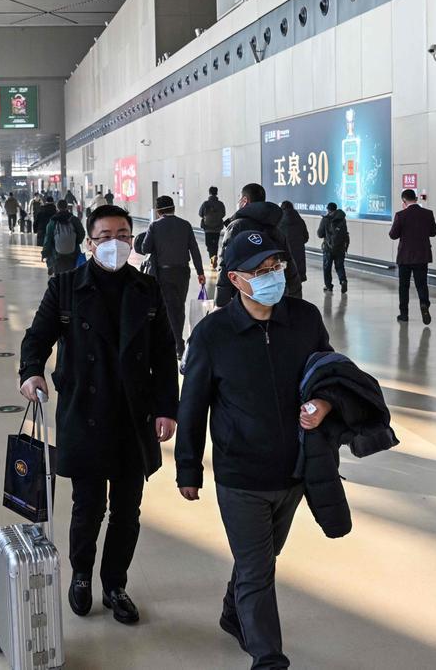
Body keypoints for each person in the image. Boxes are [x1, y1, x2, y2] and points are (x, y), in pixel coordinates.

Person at [176, 230, 333, 669]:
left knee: (260, 558)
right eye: (260, 271)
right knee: (259, 571)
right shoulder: (213, 334)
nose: (272, 277)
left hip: (294, 471)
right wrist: (188, 468)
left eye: (276, 267)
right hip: (240, 476)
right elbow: (193, 406)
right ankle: (268, 657)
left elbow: (329, 372)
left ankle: (232, 612)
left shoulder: (304, 319)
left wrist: (325, 403)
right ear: (236, 279)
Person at [19, 204, 179, 626]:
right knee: (87, 506)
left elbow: (164, 354)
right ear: (90, 243)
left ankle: (115, 585)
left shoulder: (147, 289)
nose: (115, 243)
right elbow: (37, 337)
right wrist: (31, 372)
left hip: (132, 415)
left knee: (128, 510)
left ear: (133, 239)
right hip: (84, 411)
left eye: (122, 235)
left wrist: (167, 408)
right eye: (105, 236)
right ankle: (81, 577)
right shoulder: (66, 287)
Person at [140, 195, 205, 356]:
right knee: (179, 306)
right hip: (183, 272)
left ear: (158, 211)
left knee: (168, 307)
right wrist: (200, 272)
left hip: (164, 272)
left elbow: (145, 248)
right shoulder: (185, 225)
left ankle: (178, 343)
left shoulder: (154, 226)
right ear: (173, 208)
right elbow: (195, 250)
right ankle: (178, 341)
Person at [214, 184, 297, 307]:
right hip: (274, 297)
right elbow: (289, 264)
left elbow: (225, 265)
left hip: (244, 296)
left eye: (240, 199)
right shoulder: (275, 227)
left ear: (244, 201)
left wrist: (221, 303)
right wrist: (295, 299)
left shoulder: (237, 226)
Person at [389, 189, 436, 324]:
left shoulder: (401, 215)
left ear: (404, 201)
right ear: (416, 198)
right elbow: (433, 232)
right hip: (422, 256)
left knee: (403, 286)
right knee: (421, 284)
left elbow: (393, 235)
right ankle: (424, 305)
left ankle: (404, 314)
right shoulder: (428, 214)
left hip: (405, 257)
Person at [42, 199, 85, 275]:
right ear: (67, 207)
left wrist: (44, 253)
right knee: (73, 275)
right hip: (73, 254)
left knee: (58, 277)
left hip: (57, 256)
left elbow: (48, 239)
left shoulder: (53, 221)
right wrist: (76, 242)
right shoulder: (74, 219)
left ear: (57, 208)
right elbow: (82, 233)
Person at [278, 201, 309, 299]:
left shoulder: (278, 222)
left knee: (284, 284)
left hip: (284, 257)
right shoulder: (300, 220)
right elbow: (306, 237)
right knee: (297, 285)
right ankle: (297, 308)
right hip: (298, 255)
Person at [316, 202, 349, 293]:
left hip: (328, 247)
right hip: (340, 247)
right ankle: (343, 281)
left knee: (327, 268)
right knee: (340, 266)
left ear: (328, 209)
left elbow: (319, 234)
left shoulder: (326, 219)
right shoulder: (342, 219)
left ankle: (328, 286)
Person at [198, 186, 228, 271]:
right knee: (215, 244)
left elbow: (200, 214)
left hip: (207, 228)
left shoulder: (205, 204)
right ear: (217, 192)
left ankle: (212, 257)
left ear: (209, 192)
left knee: (209, 244)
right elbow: (223, 214)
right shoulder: (220, 204)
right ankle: (214, 257)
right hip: (217, 227)